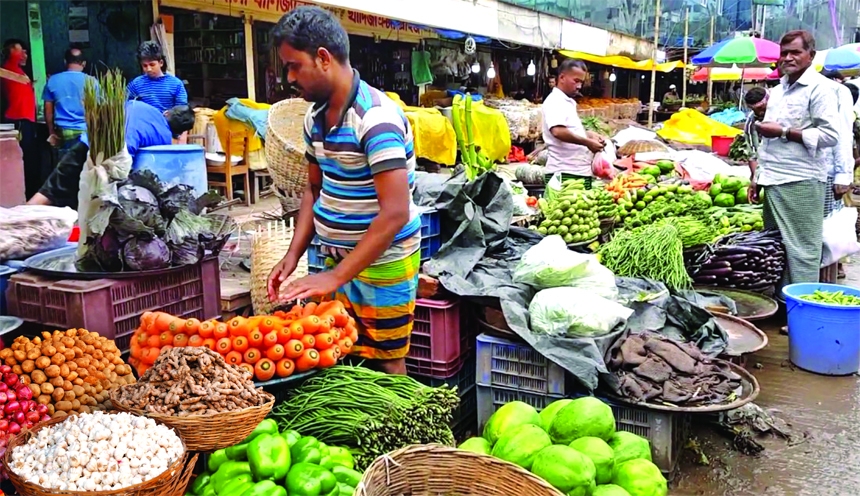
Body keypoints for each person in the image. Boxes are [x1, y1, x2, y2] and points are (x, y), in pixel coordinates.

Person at [266, 6, 422, 375]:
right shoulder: (313, 118)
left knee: (386, 360)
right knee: (332, 352)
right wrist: (293, 256)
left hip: (383, 262)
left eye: (293, 66)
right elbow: (313, 191)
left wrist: (336, 277)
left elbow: (395, 211)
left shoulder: (375, 119)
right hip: (330, 257)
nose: (289, 77)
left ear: (322, 58)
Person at [750, 30, 839, 291]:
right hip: (773, 178)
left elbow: (830, 135)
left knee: (802, 249)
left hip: (801, 180)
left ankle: (802, 308)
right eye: (784, 53)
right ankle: (782, 302)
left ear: (810, 56)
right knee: (776, 245)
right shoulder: (777, 91)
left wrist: (785, 132)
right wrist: (758, 178)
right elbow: (768, 143)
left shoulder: (820, 89)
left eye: (795, 52)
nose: (788, 58)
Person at [27, 101, 195, 209]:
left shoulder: (140, 105)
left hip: (87, 144)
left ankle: (18, 217)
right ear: (178, 133)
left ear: (166, 112)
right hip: (113, 166)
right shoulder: (164, 139)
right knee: (93, 207)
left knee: (52, 189)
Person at [541, 59, 605, 187]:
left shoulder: (566, 101)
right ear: (562, 77)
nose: (579, 86)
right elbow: (558, 131)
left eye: (581, 82)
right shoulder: (555, 100)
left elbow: (567, 128)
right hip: (564, 174)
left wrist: (588, 135)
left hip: (577, 172)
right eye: (576, 81)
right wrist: (587, 142)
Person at [1, 39, 39, 199]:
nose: (25, 54)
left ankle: (31, 194)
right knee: (25, 160)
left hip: (27, 121)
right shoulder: (7, 69)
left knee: (30, 158)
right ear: (10, 52)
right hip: (18, 120)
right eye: (20, 50)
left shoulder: (18, 71)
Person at [43, 48, 95, 155]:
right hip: (87, 134)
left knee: (65, 168)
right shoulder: (92, 82)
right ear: (84, 63)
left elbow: (48, 111)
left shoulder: (52, 80)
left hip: (63, 134)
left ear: (65, 62)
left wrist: (51, 132)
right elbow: (99, 110)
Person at [127, 41, 187, 113]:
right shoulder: (136, 83)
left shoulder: (176, 84)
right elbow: (125, 103)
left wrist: (171, 114)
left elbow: (182, 110)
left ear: (161, 63)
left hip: (167, 123)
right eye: (145, 66)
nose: (148, 69)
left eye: (152, 65)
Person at [743, 87, 768, 192]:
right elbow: (753, 152)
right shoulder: (751, 121)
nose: (759, 112)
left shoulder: (781, 113)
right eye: (754, 109)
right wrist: (755, 178)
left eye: (762, 107)